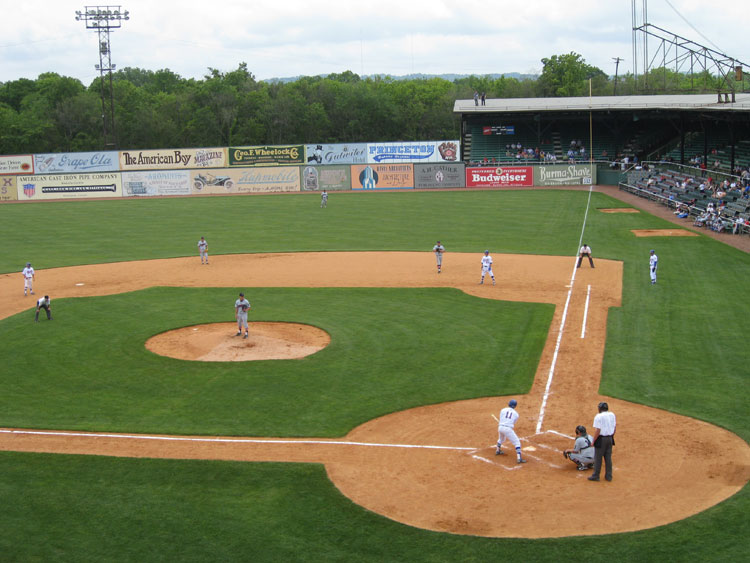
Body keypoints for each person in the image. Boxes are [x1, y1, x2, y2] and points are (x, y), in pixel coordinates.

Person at [588, 402, 616, 482]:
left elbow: (598, 430)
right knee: (608, 458)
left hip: (601, 439)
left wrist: (593, 441)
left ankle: (596, 476)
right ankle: (609, 476)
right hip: (610, 438)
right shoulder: (612, 414)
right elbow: (614, 427)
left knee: (598, 458)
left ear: (600, 408)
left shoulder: (598, 416)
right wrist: (611, 436)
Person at [495, 399, 527, 464]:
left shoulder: (503, 410)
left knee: (501, 439)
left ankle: (498, 450)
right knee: (517, 442)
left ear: (509, 404)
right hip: (508, 429)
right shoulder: (516, 414)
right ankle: (519, 458)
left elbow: (501, 418)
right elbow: (513, 422)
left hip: (500, 427)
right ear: (515, 406)